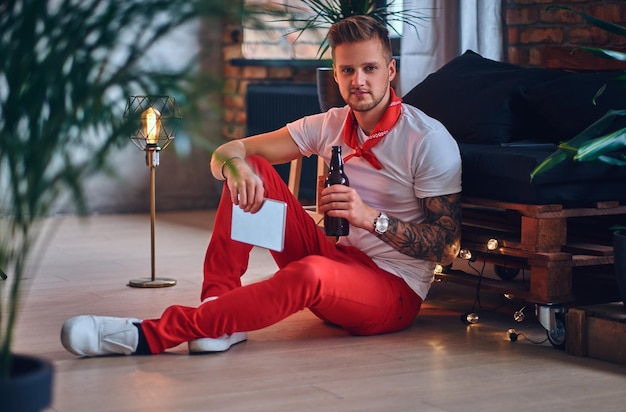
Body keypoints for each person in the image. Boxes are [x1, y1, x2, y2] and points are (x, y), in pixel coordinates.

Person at [60, 15, 462, 357]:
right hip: (334, 257)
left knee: (310, 273)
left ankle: (148, 335)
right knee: (251, 165)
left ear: (391, 71)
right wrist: (236, 171)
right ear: (336, 74)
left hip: (391, 290)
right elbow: (227, 152)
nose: (358, 81)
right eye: (347, 70)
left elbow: (447, 245)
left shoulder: (427, 139)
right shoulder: (330, 123)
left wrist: (370, 218)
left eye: (370, 68)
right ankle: (218, 312)